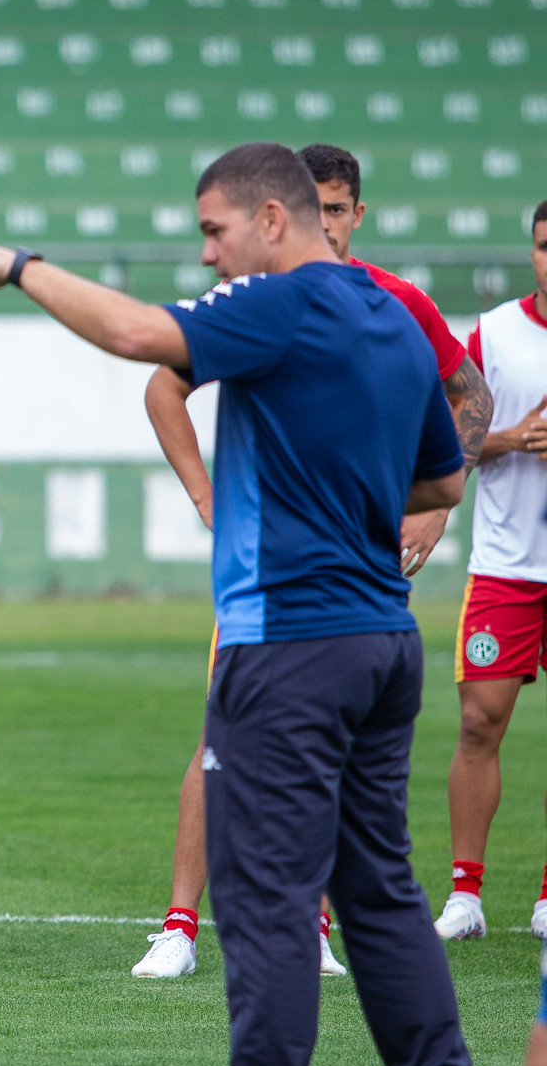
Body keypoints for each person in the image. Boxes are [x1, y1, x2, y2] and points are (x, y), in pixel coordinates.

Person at [0, 141, 483, 1066]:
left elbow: (138, 337)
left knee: (266, 902)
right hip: (381, 639)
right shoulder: (395, 316)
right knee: (381, 897)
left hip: (287, 648)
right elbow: (439, 489)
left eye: (213, 232)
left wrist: (14, 266)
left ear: (272, 220)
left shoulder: (280, 304)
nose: (209, 255)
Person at [132, 143, 490, 978]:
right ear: (280, 211)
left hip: (359, 578)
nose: (322, 223)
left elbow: (467, 394)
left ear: (356, 216)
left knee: (339, 750)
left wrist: (435, 508)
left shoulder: (398, 304)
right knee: (220, 725)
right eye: (312, 208)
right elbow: (161, 384)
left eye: (337, 210)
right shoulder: (259, 301)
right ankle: (180, 924)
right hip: (267, 568)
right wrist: (205, 498)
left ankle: (315, 928)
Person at [439, 198, 547, 941]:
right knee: (480, 721)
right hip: (506, 565)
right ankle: (465, 896)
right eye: (544, 246)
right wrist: (510, 437)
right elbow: (456, 441)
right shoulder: (497, 332)